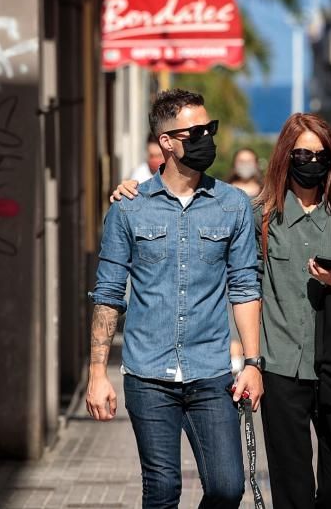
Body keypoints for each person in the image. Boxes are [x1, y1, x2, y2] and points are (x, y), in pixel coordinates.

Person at [112, 114, 331, 508]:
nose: (311, 161)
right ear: (286, 155)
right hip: (281, 368)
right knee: (292, 491)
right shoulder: (258, 215)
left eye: (320, 154)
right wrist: (134, 191)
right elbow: (232, 276)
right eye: (302, 153)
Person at [87, 88, 263, 508]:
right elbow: (109, 294)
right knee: (163, 490)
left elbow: (244, 287)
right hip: (148, 375)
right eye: (196, 131)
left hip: (211, 372)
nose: (207, 139)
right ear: (166, 141)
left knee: (226, 488)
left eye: (210, 129)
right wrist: (97, 374)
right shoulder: (128, 208)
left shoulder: (233, 205)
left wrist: (253, 364)